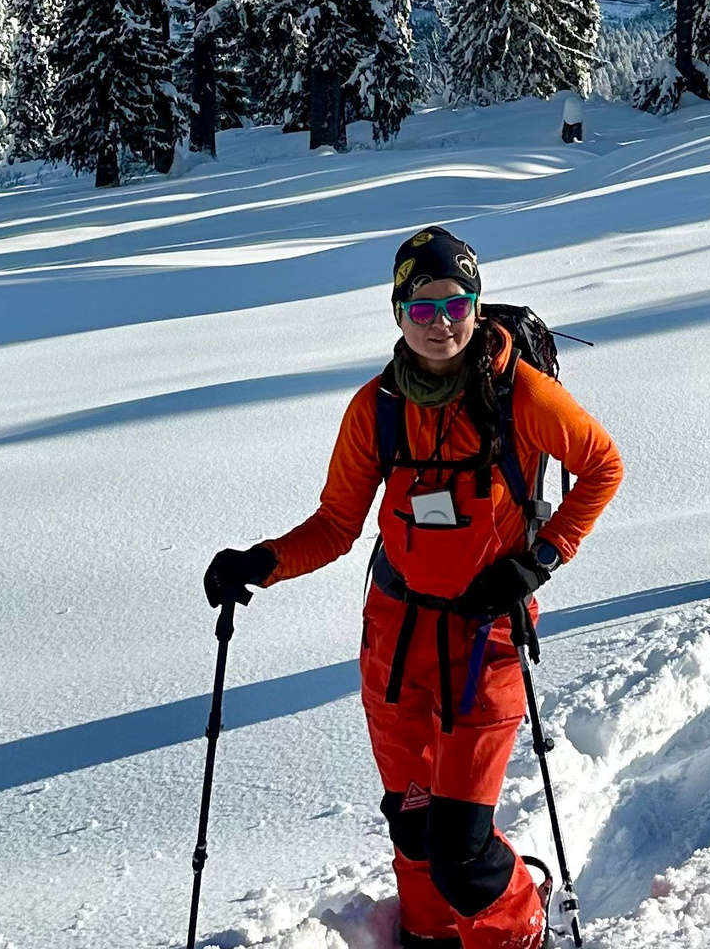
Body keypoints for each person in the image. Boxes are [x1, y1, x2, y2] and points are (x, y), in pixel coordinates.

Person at [203, 225, 623, 949]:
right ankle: (429, 935)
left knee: (460, 848)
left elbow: (603, 467)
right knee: (412, 817)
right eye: (422, 308)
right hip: (395, 636)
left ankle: (521, 926)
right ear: (398, 312)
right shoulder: (378, 408)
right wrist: (260, 562)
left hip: (485, 635)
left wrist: (542, 556)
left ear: (477, 307)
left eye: (455, 306)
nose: (441, 324)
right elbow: (337, 523)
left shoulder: (522, 393)